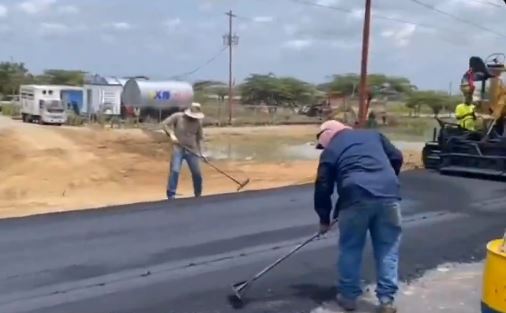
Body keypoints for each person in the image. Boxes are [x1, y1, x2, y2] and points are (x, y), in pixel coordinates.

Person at [314, 120, 403, 313]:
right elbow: (396, 157)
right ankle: (387, 300)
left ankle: (348, 298)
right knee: (388, 248)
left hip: (355, 199)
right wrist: (387, 180)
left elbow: (323, 186)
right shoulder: (374, 135)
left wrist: (324, 219)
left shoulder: (331, 150)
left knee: (351, 248)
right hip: (389, 196)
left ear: (328, 135)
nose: (324, 147)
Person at [161, 102, 206, 200]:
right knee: (175, 170)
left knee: (197, 173)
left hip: (192, 150)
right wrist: (171, 134)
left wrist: (201, 153)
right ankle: (171, 195)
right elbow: (164, 124)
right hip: (178, 148)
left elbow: (199, 138)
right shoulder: (178, 117)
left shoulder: (198, 123)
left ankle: (198, 195)